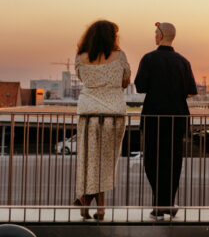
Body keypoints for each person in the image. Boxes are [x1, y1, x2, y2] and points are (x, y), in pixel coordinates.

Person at [134, 21, 198, 221]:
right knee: (173, 162)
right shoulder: (183, 61)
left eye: (155, 32)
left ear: (160, 36)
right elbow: (191, 91)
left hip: (154, 117)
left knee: (152, 162)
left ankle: (159, 204)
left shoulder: (148, 59)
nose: (154, 35)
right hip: (177, 118)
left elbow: (140, 87)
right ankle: (167, 203)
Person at [74, 20, 131, 220]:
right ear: (111, 36)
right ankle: (98, 208)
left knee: (90, 162)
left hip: (88, 113)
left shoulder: (81, 58)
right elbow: (126, 81)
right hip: (113, 114)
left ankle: (87, 201)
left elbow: (82, 79)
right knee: (106, 162)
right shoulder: (120, 56)